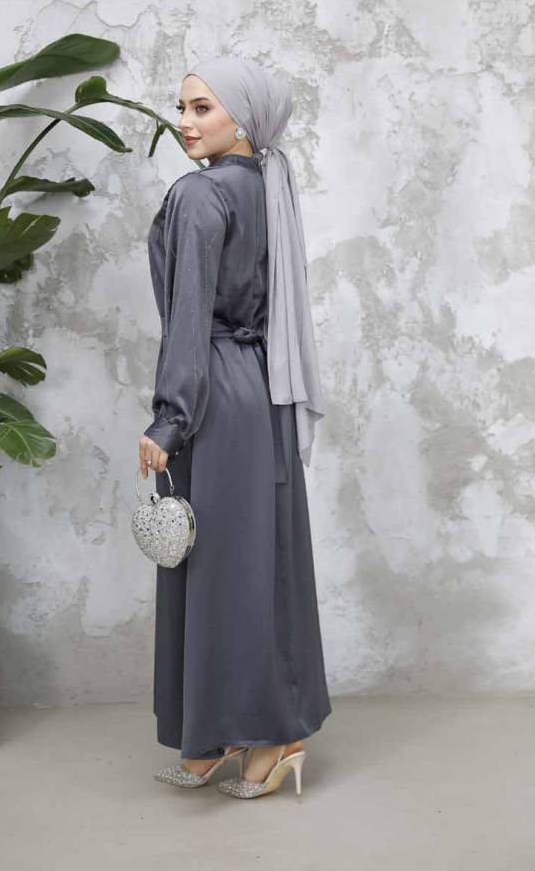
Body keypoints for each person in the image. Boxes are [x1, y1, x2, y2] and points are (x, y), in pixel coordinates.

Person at [139, 55, 331, 799]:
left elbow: (189, 319)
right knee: (253, 566)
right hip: (263, 391)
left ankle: (264, 735)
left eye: (201, 108)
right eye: (182, 107)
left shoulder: (199, 192)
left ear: (242, 119)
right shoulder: (266, 187)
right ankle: (228, 733)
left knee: (214, 569)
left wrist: (171, 418)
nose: (184, 122)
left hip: (214, 392)